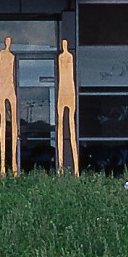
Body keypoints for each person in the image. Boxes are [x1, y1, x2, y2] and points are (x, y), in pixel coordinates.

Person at [0, 36, 20, 175]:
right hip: (2, 86)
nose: (8, 42)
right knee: (3, 120)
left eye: (10, 41)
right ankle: (3, 165)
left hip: (10, 86)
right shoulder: (2, 54)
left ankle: (14, 164)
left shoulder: (12, 56)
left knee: (13, 122)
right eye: (7, 41)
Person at [55, 38, 80, 172]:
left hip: (69, 92)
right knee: (61, 126)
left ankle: (75, 168)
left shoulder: (69, 57)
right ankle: (60, 166)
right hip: (63, 92)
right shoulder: (61, 57)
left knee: (70, 126)